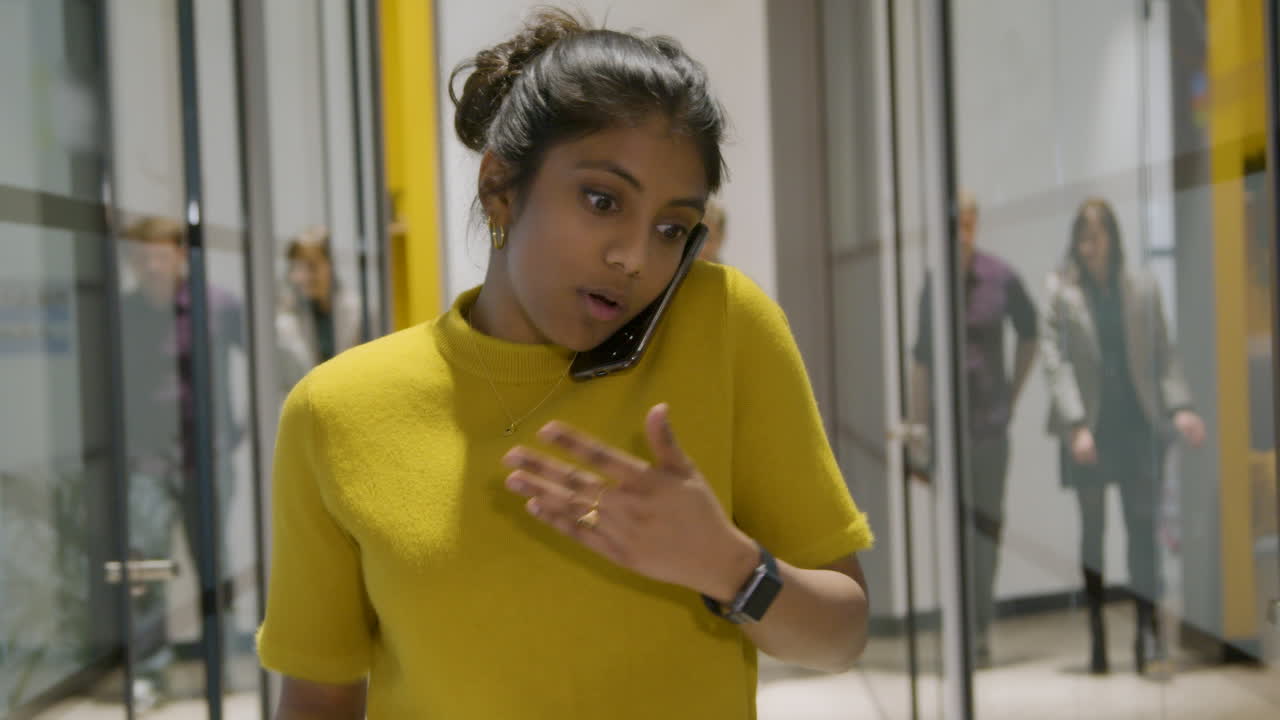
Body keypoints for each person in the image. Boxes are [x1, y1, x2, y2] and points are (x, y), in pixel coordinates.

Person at [257, 10, 873, 719]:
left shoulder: (723, 325)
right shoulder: (337, 409)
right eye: (602, 200)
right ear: (500, 188)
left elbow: (843, 636)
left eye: (672, 228)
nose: (635, 258)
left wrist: (729, 567)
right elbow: (318, 694)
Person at [1042, 198, 1205, 675]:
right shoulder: (1061, 293)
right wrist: (1074, 424)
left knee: (1142, 533)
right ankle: (1096, 635)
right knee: (1092, 535)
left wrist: (1182, 406)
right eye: (1084, 238)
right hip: (1089, 429)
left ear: (1112, 238)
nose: (1091, 247)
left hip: (1135, 425)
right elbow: (1057, 364)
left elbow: (1164, 354)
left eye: (1099, 236)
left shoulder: (1142, 288)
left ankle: (1146, 634)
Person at [906, 191, 1039, 668]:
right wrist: (917, 428)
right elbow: (921, 361)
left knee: (987, 532)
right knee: (958, 534)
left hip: (989, 430)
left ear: (975, 225)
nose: (959, 233)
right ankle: (962, 626)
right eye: (952, 224)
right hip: (948, 431)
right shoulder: (934, 285)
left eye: (966, 223)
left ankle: (980, 626)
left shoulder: (1000, 278)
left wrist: (1013, 394)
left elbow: (1031, 332)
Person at [118, 215, 245, 699]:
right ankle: (149, 670)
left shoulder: (217, 306)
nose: (151, 264)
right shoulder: (123, 311)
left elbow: (265, 355)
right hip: (144, 459)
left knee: (215, 559)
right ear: (132, 260)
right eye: (141, 255)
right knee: (145, 565)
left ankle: (223, 662)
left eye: (160, 253)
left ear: (178, 257)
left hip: (208, 456)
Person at [275, 226, 362, 393]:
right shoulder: (284, 321)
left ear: (330, 265)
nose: (300, 277)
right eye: (296, 267)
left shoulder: (354, 309)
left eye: (311, 266)